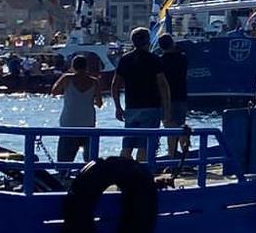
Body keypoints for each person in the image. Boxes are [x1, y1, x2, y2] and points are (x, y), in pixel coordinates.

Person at [112, 27, 171, 162]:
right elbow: (163, 85)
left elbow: (115, 85)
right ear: (148, 41)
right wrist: (166, 109)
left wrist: (118, 107)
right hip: (151, 108)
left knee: (128, 145)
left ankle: (122, 174)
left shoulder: (125, 59)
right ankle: (140, 176)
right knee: (145, 146)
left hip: (131, 108)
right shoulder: (154, 59)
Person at [51, 53, 106, 164]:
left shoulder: (67, 78)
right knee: (90, 160)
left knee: (64, 160)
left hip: (69, 122)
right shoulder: (94, 81)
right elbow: (99, 103)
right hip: (88, 122)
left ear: (73, 66)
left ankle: (64, 177)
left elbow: (54, 91)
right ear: (86, 67)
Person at [156, 32, 191, 157]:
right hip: (181, 96)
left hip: (165, 98)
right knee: (181, 126)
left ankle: (172, 157)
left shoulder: (160, 61)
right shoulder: (182, 58)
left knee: (170, 128)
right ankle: (185, 155)